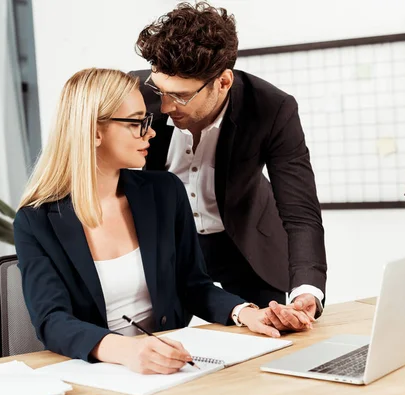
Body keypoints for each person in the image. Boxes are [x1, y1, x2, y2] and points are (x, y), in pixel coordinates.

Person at [14, 68, 308, 375]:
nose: (151, 132)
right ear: (94, 132)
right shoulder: (35, 221)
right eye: (137, 123)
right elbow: (52, 320)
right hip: (97, 372)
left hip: (172, 368)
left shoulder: (164, 192)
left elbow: (193, 285)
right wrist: (126, 350)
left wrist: (245, 312)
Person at [132, 2, 328, 324]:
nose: (165, 107)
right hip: (168, 243)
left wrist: (307, 289)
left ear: (223, 82)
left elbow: (300, 210)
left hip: (246, 246)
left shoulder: (272, 108)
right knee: (168, 341)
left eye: (180, 96)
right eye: (160, 89)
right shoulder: (135, 94)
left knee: (274, 335)